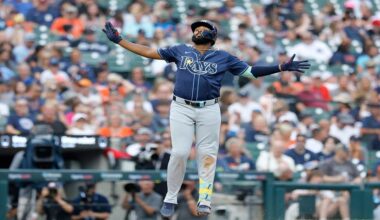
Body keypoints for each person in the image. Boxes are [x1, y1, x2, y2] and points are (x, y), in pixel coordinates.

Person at [103, 20, 310, 217]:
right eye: (196, 28)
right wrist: (120, 41)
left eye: (203, 28)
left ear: (212, 35)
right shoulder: (180, 50)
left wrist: (280, 68)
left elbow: (249, 72)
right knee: (180, 152)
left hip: (209, 109)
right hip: (181, 106)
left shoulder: (223, 57)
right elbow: (149, 51)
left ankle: (205, 198)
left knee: (207, 154)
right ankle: (170, 197)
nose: (198, 30)